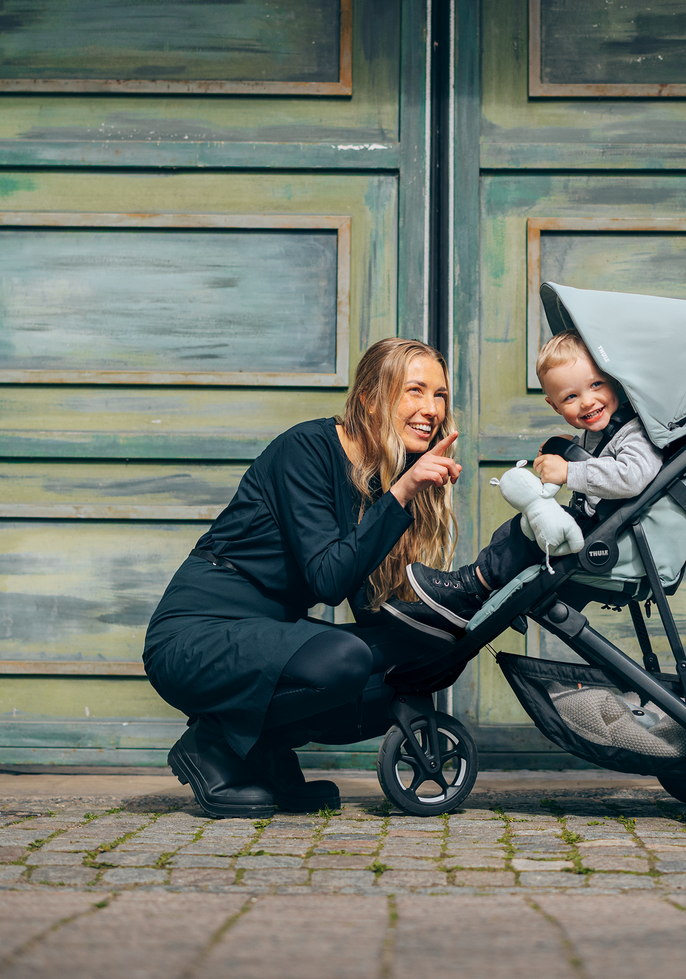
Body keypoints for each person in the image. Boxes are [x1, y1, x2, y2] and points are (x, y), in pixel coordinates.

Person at [143, 338, 463, 818]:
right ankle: (209, 746)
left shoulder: (377, 477)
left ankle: (262, 752)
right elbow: (327, 580)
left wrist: (453, 618)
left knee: (414, 660)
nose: (431, 409)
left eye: (439, 395)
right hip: (197, 635)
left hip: (265, 639)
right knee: (345, 660)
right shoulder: (306, 450)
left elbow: (367, 604)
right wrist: (403, 493)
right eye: (414, 391)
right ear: (372, 397)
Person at [383, 329, 663, 642]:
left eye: (596, 385)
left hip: (614, 538)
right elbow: (601, 462)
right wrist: (568, 448)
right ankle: (471, 596)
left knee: (523, 533)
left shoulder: (635, 431)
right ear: (555, 407)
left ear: (615, 382)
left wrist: (570, 470)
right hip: (598, 527)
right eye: (570, 397)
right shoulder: (599, 433)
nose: (587, 402)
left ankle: (469, 588)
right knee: (518, 529)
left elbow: (633, 475)